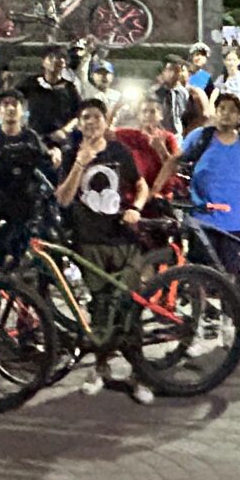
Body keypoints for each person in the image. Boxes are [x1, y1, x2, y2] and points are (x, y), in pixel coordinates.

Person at [55, 98, 152, 400]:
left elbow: (141, 185)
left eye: (96, 117)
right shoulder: (71, 153)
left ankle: (138, 374)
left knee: (129, 308)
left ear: (104, 121)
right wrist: (80, 163)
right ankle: (101, 367)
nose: (91, 122)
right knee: (99, 309)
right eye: (85, 117)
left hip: (122, 240)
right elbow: (63, 199)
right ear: (79, 122)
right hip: (89, 242)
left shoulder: (119, 151)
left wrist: (136, 208)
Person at [151, 91, 240, 286]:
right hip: (202, 217)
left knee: (230, 276)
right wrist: (156, 189)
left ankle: (229, 305)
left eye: (232, 110)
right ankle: (201, 304)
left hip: (233, 221)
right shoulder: (201, 137)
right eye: (222, 109)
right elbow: (174, 161)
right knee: (199, 273)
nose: (226, 113)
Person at [0, 89, 59, 262]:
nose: (10, 108)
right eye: (6, 104)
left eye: (15, 104)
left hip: (26, 206)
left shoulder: (31, 137)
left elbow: (48, 163)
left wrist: (55, 154)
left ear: (22, 110)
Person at [22, 47, 83, 139]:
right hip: (35, 137)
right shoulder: (31, 82)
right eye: (51, 57)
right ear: (43, 62)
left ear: (64, 63)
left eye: (59, 57)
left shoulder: (69, 88)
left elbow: (78, 114)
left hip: (61, 138)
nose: (55, 60)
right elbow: (15, 99)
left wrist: (65, 130)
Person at [147, 56, 202, 135]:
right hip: (158, 134)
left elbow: (192, 116)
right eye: (169, 70)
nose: (173, 74)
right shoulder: (154, 92)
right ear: (163, 72)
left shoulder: (185, 93)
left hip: (178, 135)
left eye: (177, 70)